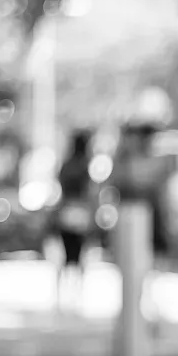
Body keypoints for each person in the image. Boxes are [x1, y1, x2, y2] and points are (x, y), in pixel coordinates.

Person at [53, 130, 98, 312]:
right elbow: (89, 192)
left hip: (66, 212)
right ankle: (77, 292)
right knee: (78, 256)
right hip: (80, 214)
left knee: (66, 255)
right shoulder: (84, 166)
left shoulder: (66, 165)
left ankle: (61, 292)